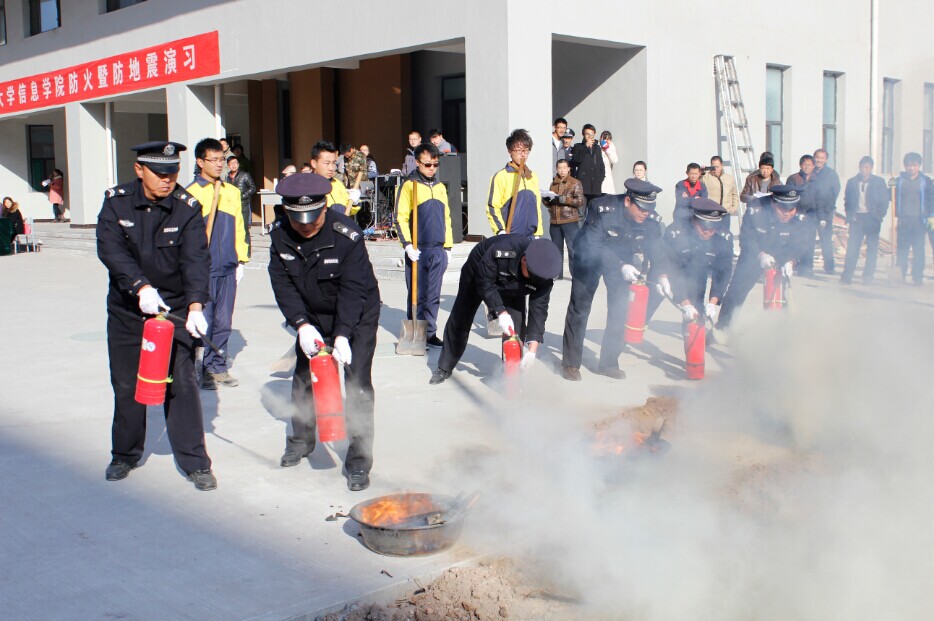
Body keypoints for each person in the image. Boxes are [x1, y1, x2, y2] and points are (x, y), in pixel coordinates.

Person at [95, 141, 216, 491]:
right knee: (127, 384)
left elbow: (196, 258)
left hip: (175, 310)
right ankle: (125, 454)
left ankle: (195, 462)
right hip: (129, 310)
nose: (167, 180)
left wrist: (196, 306)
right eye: (160, 173)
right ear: (139, 170)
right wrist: (140, 287)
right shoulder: (116, 201)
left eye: (173, 173)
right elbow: (111, 249)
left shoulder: (186, 206)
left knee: (182, 384)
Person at [268, 173, 380, 491]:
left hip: (357, 315)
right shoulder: (279, 236)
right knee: (305, 378)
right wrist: (301, 325)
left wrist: (343, 334)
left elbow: (354, 289)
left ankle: (358, 460)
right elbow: (283, 285)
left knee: (357, 383)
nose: (306, 225)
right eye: (298, 219)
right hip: (312, 315)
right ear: (287, 211)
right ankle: (301, 441)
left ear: (324, 207)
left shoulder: (347, 235)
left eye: (313, 217)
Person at [561, 179, 664, 381]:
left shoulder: (650, 221)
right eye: (642, 208)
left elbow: (658, 253)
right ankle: (571, 364)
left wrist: (663, 276)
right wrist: (621, 265)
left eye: (650, 208)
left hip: (621, 261)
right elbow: (594, 245)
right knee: (580, 309)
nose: (646, 213)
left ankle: (608, 363)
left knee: (620, 309)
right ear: (628, 201)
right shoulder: (602, 208)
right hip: (589, 256)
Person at [428, 236, 562, 385]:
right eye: (530, 276)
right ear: (524, 260)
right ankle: (445, 366)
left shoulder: (544, 276)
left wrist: (532, 351)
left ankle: (511, 376)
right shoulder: (503, 250)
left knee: (516, 329)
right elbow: (484, 283)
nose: (533, 281)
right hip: (478, 273)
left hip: (513, 286)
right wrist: (500, 311)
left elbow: (539, 311)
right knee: (461, 317)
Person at [186, 138, 250, 390]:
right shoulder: (191, 194)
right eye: (212, 160)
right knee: (205, 319)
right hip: (204, 269)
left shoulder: (231, 191)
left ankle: (218, 366)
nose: (218, 165)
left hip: (228, 266)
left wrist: (241, 259)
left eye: (221, 159)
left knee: (224, 320)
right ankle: (200, 368)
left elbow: (240, 229)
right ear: (200, 162)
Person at [717, 186, 813, 328]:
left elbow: (802, 243)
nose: (786, 214)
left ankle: (782, 331)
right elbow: (747, 237)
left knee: (783, 293)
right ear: (774, 203)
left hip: (782, 253)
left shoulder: (801, 215)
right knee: (737, 290)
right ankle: (723, 328)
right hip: (755, 253)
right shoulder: (757, 209)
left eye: (790, 210)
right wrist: (760, 255)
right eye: (782, 209)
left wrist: (791, 261)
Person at [394, 143, 452, 348]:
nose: (432, 168)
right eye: (428, 164)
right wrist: (408, 244)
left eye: (435, 164)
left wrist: (448, 246)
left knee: (433, 294)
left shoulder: (439, 187)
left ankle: (430, 332)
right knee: (417, 293)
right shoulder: (409, 186)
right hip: (418, 248)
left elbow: (446, 217)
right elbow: (400, 217)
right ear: (417, 162)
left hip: (437, 248)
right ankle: (415, 333)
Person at [650, 197, 734, 327]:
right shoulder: (676, 232)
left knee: (695, 313)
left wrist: (713, 301)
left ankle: (693, 343)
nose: (707, 231)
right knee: (649, 302)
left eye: (713, 228)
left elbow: (723, 272)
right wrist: (663, 278)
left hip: (697, 272)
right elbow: (666, 261)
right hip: (666, 271)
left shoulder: (724, 238)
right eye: (704, 226)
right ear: (695, 221)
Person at [841, 156, 890, 285]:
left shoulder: (879, 182)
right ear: (859, 167)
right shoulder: (852, 182)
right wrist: (849, 215)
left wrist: (879, 215)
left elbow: (884, 200)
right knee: (853, 248)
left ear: (871, 168)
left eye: (867, 167)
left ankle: (868, 276)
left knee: (872, 249)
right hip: (857, 218)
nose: (864, 170)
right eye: (862, 167)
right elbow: (847, 200)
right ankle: (847, 276)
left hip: (872, 218)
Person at [486, 128, 543, 238]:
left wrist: (538, 233)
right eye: (519, 150)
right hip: (510, 235)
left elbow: (537, 208)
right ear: (510, 151)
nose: (523, 155)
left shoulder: (532, 177)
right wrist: (500, 231)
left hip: (531, 236)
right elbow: (492, 207)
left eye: (526, 150)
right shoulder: (501, 176)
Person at [894, 152, 934, 286]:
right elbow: (892, 198)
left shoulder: (926, 181)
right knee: (902, 250)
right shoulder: (899, 181)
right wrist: (890, 187)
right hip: (903, 220)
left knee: (918, 250)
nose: (911, 168)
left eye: (914, 165)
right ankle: (900, 277)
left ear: (919, 166)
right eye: (909, 165)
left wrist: (931, 217)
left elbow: (931, 199)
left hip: (919, 221)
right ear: (905, 166)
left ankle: (917, 277)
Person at [545, 158, 584, 279]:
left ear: (568, 169)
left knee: (573, 248)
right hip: (555, 221)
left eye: (564, 168)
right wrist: (546, 200)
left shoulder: (575, 183)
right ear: (557, 169)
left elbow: (580, 201)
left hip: (569, 220)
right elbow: (550, 204)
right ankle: (557, 273)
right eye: (559, 168)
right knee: (556, 250)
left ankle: (576, 274)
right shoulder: (553, 184)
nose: (562, 170)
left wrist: (565, 199)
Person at [786, 155, 820, 275]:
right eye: (804, 164)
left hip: (812, 215)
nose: (807, 167)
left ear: (813, 166)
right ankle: (793, 263)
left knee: (809, 241)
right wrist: (794, 212)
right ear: (800, 165)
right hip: (796, 214)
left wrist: (819, 215)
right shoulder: (794, 178)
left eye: (809, 165)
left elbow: (821, 198)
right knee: (795, 240)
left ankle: (807, 267)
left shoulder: (817, 180)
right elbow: (789, 196)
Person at [811, 148, 842, 273]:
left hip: (825, 213)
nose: (819, 160)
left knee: (826, 241)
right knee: (807, 240)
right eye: (817, 157)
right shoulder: (810, 171)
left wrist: (827, 209)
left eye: (822, 158)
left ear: (826, 160)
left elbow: (835, 191)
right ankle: (806, 266)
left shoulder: (831, 174)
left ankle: (829, 267)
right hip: (811, 212)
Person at [309, 141, 358, 216]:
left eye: (334, 163)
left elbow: (348, 211)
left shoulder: (338, 184)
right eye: (327, 163)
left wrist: (355, 203)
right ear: (314, 163)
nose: (331, 168)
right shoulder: (307, 186)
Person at [227, 154, 257, 258]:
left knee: (244, 228)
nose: (234, 165)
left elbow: (252, 188)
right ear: (228, 166)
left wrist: (243, 196)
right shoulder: (227, 177)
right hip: (232, 206)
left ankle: (247, 252)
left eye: (236, 163)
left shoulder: (245, 175)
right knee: (234, 228)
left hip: (243, 204)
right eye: (231, 164)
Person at [570, 124, 606, 207]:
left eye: (592, 134)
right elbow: (576, 160)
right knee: (581, 212)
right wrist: (586, 146)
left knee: (594, 212)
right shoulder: (578, 146)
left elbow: (601, 165)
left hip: (595, 186)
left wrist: (600, 179)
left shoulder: (597, 148)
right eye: (587, 134)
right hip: (583, 185)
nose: (590, 136)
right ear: (583, 134)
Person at [701, 156, 740, 230]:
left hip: (725, 213)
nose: (715, 169)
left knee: (725, 235)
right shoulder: (706, 177)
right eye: (713, 167)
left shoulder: (729, 178)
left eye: (717, 167)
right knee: (711, 236)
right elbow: (699, 180)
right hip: (711, 214)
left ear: (722, 166)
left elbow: (734, 194)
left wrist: (734, 207)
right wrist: (701, 172)